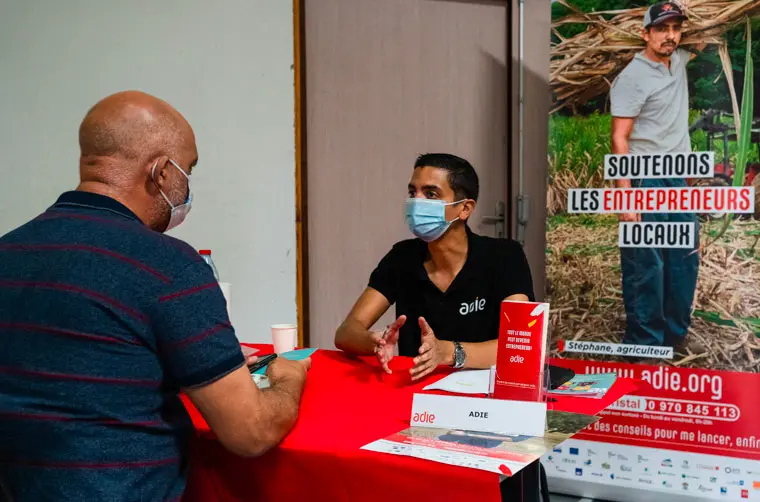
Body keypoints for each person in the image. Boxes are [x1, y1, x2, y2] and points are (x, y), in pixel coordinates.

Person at [0, 91, 310, 502]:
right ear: (162, 172)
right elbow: (251, 432)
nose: (187, 187)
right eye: (188, 170)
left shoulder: (10, 250)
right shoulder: (168, 265)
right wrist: (289, 380)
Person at [334, 153, 544, 501]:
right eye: (412, 192)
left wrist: (451, 352)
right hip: (419, 411)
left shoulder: (504, 257)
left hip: (489, 412)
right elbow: (346, 332)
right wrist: (373, 342)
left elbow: (520, 347)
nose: (416, 202)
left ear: (464, 208)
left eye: (431, 194)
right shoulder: (402, 258)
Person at [610, 2, 705, 349]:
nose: (670, 35)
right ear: (645, 33)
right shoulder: (631, 78)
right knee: (646, 263)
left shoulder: (678, 60)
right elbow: (619, 138)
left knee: (683, 259)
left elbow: (707, 35)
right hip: (644, 178)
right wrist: (625, 196)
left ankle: (675, 335)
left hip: (677, 177)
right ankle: (644, 343)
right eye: (662, 28)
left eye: (676, 28)